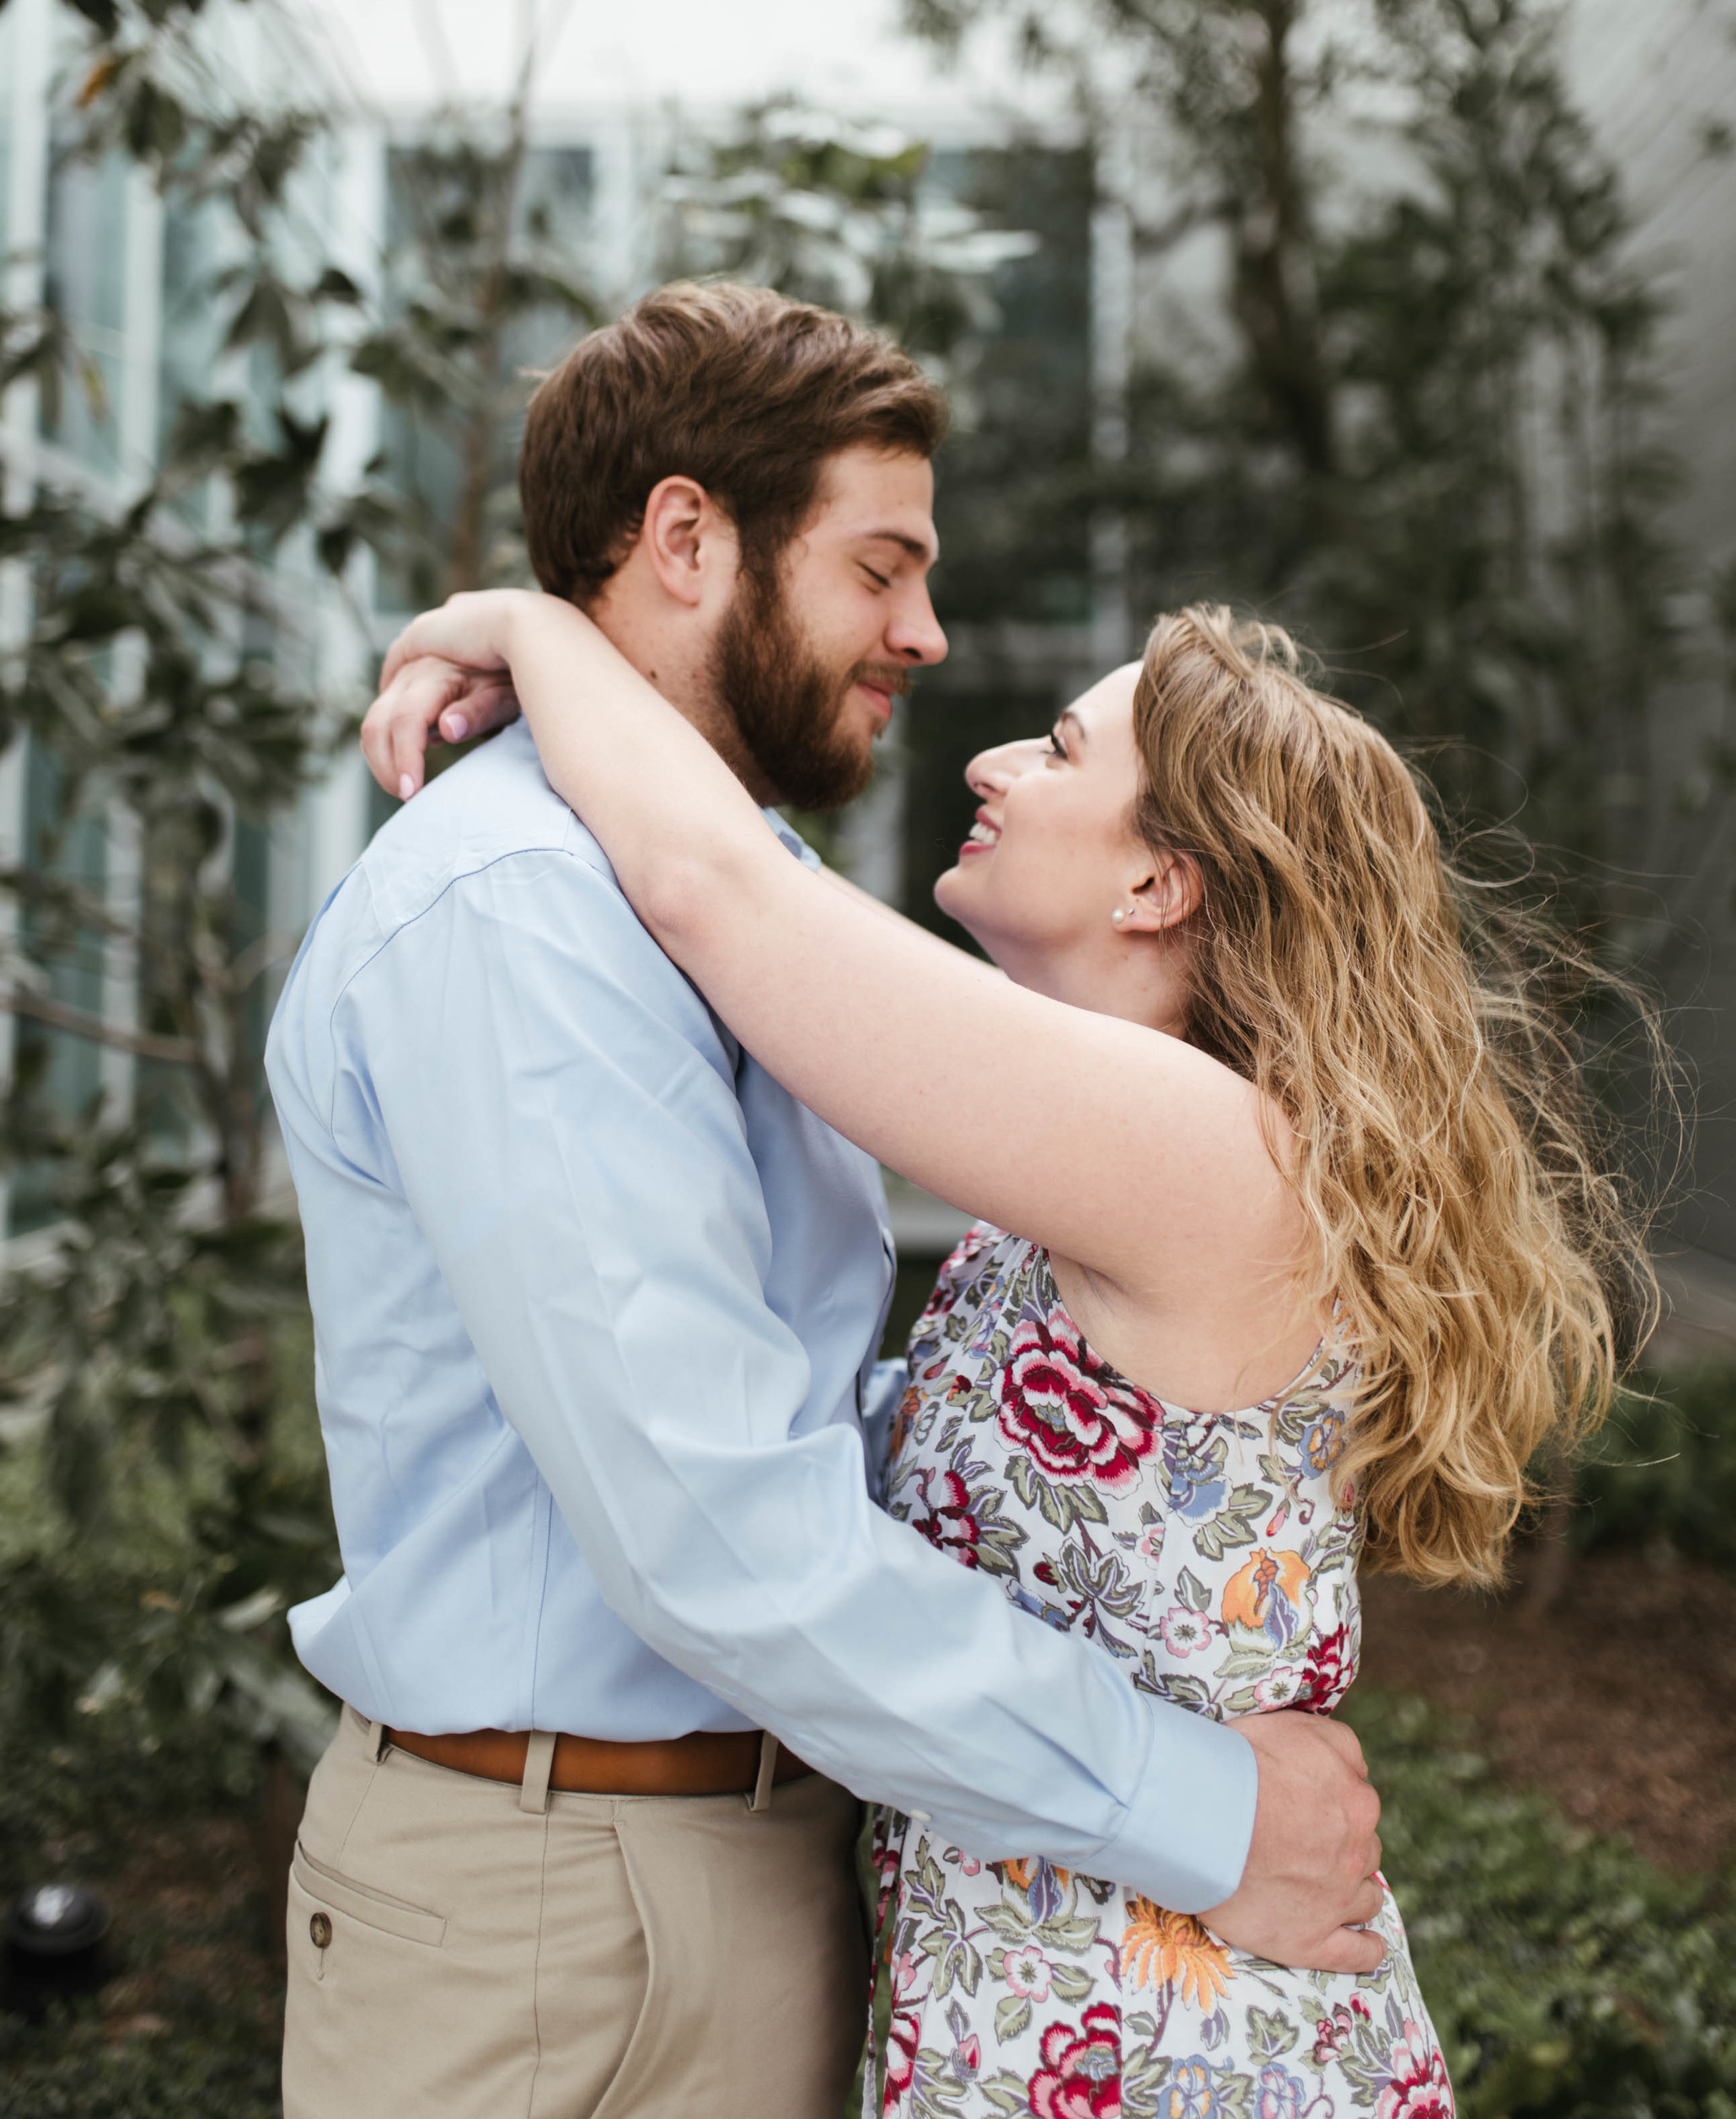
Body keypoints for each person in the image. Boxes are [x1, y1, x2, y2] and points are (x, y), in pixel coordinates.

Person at [268, 283, 1382, 2119]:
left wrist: (525, 626)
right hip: (558, 1907)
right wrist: (1200, 1807)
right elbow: (716, 1521)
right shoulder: (531, 909)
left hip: (776, 1868)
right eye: (882, 567)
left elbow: (799, 1422)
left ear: (1166, 885)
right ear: (690, 540)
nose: (927, 642)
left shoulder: (745, 911)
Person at [364, 570, 1652, 2119]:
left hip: (1169, 2039)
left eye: (1051, 748)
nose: (988, 764)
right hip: (1055, 2006)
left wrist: (530, 624)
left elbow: (716, 891)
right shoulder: (1075, 1196)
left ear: (1156, 885)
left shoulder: (1198, 1152)